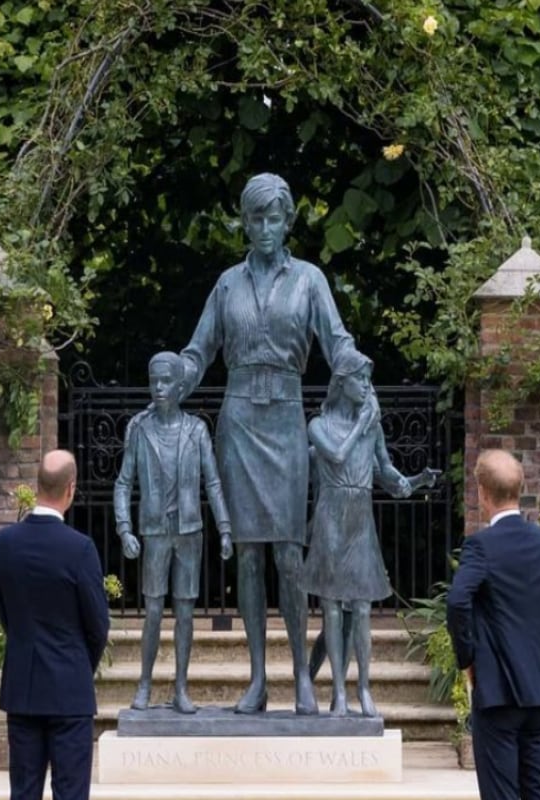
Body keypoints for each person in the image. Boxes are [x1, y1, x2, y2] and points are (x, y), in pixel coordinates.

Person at [179, 172, 356, 715]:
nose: (263, 228)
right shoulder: (227, 284)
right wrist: (172, 380)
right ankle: (258, 679)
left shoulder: (309, 280)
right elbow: (199, 350)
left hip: (284, 418)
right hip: (238, 422)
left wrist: (357, 370)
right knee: (249, 554)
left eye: (272, 218)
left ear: (288, 222)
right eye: (254, 218)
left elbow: (337, 342)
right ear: (244, 222)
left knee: (288, 553)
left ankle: (302, 675)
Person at [446, 449, 540, 800]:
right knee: (539, 791)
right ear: (521, 487)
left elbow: (457, 601)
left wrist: (468, 659)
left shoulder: (481, 546)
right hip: (539, 691)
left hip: (497, 691)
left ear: (482, 493)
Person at [299, 349, 435, 717]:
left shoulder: (370, 427)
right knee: (331, 607)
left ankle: (363, 688)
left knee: (361, 608)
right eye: (360, 379)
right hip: (330, 516)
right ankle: (338, 693)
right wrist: (362, 425)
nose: (366, 386)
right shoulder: (319, 425)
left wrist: (414, 481)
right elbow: (336, 456)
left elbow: (386, 471)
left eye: (368, 380)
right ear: (341, 382)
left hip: (360, 517)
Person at [114, 351, 234, 714]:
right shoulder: (140, 429)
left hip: (189, 531)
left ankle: (181, 687)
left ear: (181, 387)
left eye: (166, 381)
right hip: (155, 531)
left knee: (185, 612)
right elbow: (123, 483)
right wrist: (124, 528)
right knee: (153, 611)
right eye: (154, 381)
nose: (159, 388)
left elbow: (213, 482)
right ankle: (145, 683)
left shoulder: (196, 430)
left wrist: (224, 528)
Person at [0, 449, 110, 800]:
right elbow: (98, 626)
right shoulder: (80, 549)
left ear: (37, 485)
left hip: (23, 688)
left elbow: (5, 613)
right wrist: (77, 664)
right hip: (69, 691)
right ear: (71, 488)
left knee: (23, 792)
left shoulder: (5, 544)